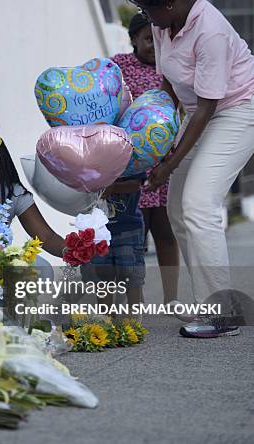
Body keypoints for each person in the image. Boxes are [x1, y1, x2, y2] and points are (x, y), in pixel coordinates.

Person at [132, 0, 254, 338]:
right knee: (177, 209)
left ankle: (224, 312)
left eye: (146, 8)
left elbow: (207, 106)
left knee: (199, 204)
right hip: (198, 112)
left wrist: (169, 165)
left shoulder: (209, 30)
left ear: (169, 4)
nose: (143, 15)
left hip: (238, 110)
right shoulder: (162, 24)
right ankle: (208, 303)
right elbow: (168, 85)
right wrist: (153, 138)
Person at [111, 13, 180, 307]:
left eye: (157, 39)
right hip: (132, 164)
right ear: (134, 40)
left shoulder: (174, 66)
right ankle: (132, 301)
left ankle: (171, 298)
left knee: (165, 231)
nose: (153, 45)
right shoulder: (119, 65)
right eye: (147, 39)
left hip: (165, 160)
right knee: (133, 234)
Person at [80, 174, 147, 319]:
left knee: (131, 272)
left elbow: (137, 183)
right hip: (97, 228)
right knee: (102, 274)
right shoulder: (88, 160)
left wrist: (115, 187)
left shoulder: (131, 156)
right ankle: (106, 316)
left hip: (128, 226)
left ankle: (134, 315)